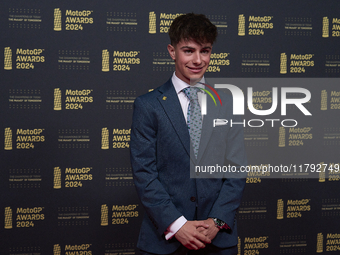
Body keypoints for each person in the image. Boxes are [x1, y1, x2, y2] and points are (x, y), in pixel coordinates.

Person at [130, 13, 247, 255]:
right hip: (166, 240)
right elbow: (144, 173)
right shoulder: (148, 105)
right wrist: (178, 224)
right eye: (188, 50)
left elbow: (236, 170)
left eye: (204, 51)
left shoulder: (228, 103)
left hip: (217, 239)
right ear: (172, 51)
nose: (197, 59)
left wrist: (217, 221)